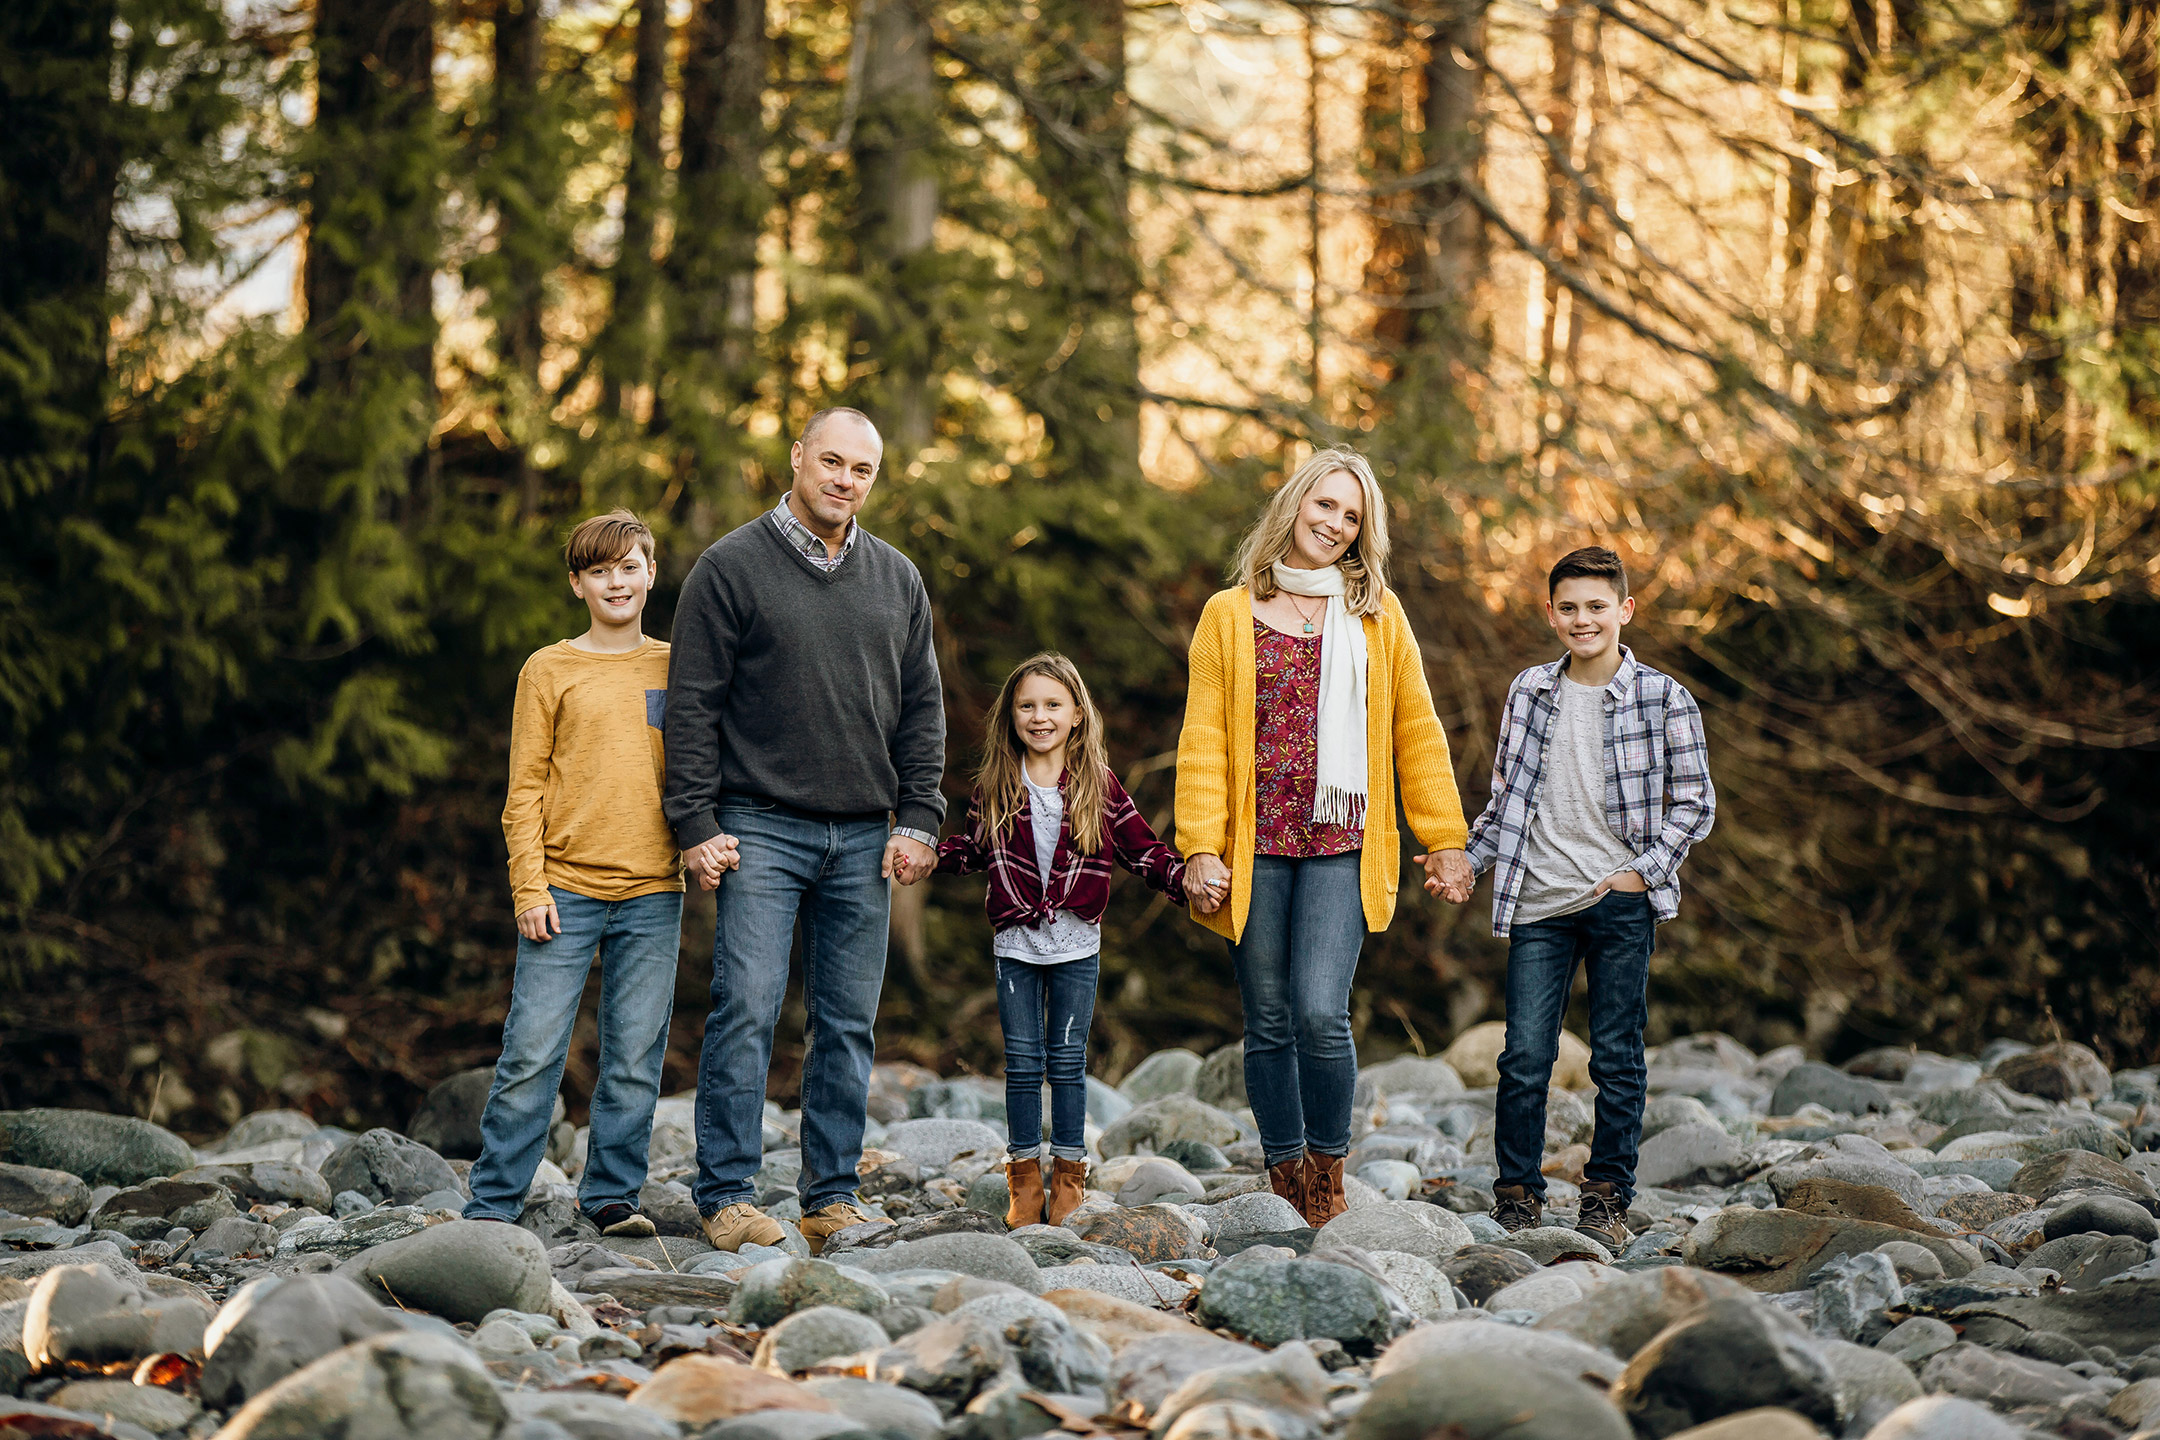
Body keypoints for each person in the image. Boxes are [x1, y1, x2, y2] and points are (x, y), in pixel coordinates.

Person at [663, 407, 946, 1255]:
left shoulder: (898, 580)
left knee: (847, 1020)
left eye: (861, 470)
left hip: (864, 833)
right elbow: (691, 707)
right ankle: (726, 1195)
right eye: (830, 461)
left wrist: (923, 817)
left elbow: (923, 710)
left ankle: (829, 1195)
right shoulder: (730, 568)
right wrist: (694, 821)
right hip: (759, 827)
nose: (844, 480)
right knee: (746, 1006)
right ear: (796, 458)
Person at [1175, 447, 1474, 1227]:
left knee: (1319, 1011)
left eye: (1352, 516)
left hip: (1342, 841)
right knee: (1267, 1018)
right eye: (1326, 507)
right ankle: (1284, 1174)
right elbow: (1204, 738)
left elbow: (1417, 727)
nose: (1336, 525)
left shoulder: (1378, 616)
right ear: (1294, 505)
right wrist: (1200, 845)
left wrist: (1445, 836)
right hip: (1256, 844)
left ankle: (1329, 1170)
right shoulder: (1227, 615)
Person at [468, 510, 730, 1238]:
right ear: (577, 583)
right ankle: (492, 1201)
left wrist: (704, 842)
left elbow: (703, 772)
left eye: (630, 566)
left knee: (635, 1053)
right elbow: (522, 790)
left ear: (651, 572)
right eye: (600, 570)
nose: (617, 581)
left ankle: (611, 1195)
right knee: (532, 1050)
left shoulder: (681, 665)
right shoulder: (549, 669)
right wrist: (529, 886)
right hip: (564, 889)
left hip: (653, 892)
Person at [1462, 545, 1716, 1249]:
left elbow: (1696, 803)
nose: (1583, 620)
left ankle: (1607, 1196)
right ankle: (1516, 1195)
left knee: (1616, 1055)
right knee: (1524, 1057)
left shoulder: (1664, 697)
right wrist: (1468, 862)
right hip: (1540, 899)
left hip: (1619, 901)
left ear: (1624, 611)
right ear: (1551, 614)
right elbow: (1507, 798)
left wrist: (1646, 871)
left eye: (1597, 607)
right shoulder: (1529, 691)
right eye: (1569, 608)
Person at [923, 653, 1188, 1228]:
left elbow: (1142, 850)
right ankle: (1024, 1180)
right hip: (1016, 944)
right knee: (1021, 1063)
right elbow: (970, 849)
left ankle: (1069, 1175)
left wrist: (1186, 880)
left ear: (1075, 714)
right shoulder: (995, 783)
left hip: (1077, 944)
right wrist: (929, 856)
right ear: (1010, 716)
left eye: (1052, 705)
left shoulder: (1098, 783)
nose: (1039, 717)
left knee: (1067, 1061)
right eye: (1027, 706)